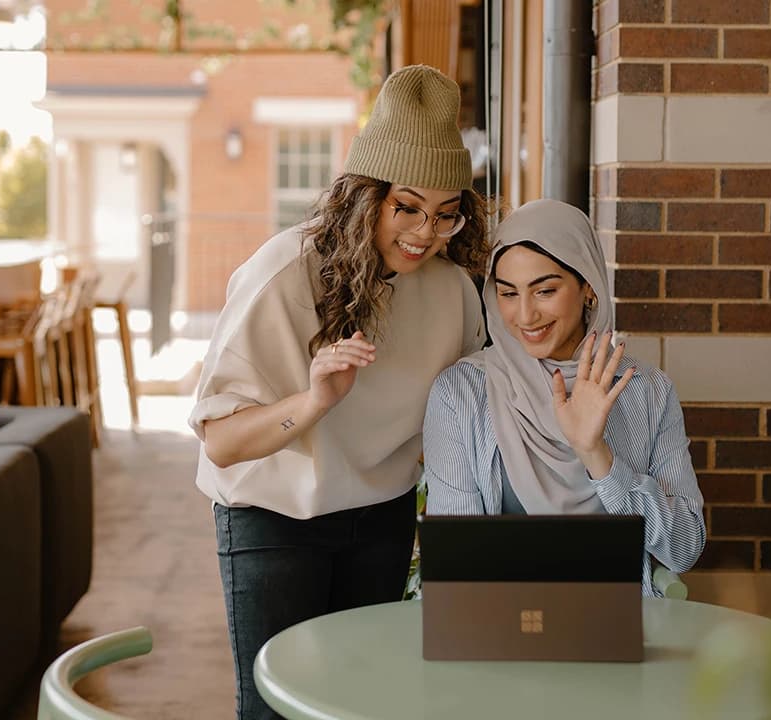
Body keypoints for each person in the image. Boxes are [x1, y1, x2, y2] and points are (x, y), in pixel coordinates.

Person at [189, 65, 491, 720]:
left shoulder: (452, 292)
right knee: (274, 710)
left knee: (360, 705)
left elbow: (468, 418)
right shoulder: (282, 275)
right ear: (365, 195)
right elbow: (221, 443)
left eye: (445, 214)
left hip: (381, 518)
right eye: (405, 207)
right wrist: (315, 401)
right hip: (272, 522)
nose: (423, 233)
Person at [422, 199, 705, 594]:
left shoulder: (648, 392)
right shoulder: (461, 394)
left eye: (545, 291)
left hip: (616, 629)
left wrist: (597, 455)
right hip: (496, 629)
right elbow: (455, 565)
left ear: (587, 285)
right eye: (508, 293)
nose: (524, 315)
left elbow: (685, 548)